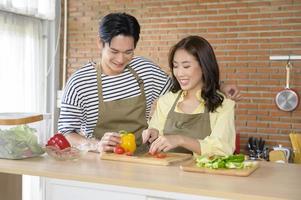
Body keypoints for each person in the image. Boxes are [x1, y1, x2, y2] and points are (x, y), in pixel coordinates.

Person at [58, 13, 239, 153]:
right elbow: (66, 132)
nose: (121, 59)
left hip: (142, 158)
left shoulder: (145, 70)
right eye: (114, 51)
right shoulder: (79, 82)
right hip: (101, 160)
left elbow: (183, 86)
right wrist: (95, 145)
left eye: (128, 52)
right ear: (100, 43)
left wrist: (218, 86)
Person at [142, 36, 236, 156]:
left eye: (186, 66)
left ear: (204, 66)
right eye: (175, 66)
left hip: (203, 174)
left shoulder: (223, 105)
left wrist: (180, 140)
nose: (179, 73)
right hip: (165, 173)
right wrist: (153, 134)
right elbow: (156, 139)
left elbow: (222, 149)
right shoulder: (166, 101)